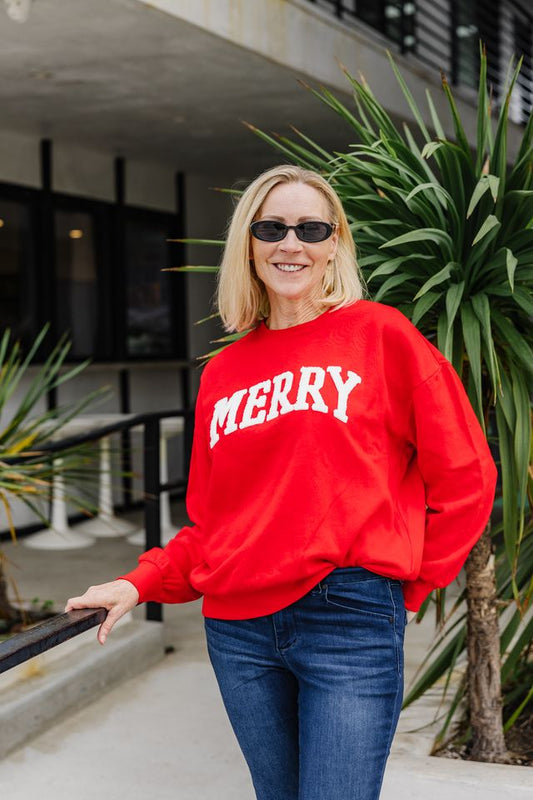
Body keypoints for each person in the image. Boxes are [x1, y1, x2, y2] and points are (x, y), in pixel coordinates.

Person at [67, 164, 497, 800]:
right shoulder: (224, 372)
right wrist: (138, 583)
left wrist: (405, 583)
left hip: (348, 616)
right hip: (239, 633)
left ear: (334, 244)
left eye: (310, 228)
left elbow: (467, 476)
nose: (289, 243)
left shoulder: (381, 335)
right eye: (271, 228)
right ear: (249, 245)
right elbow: (214, 526)